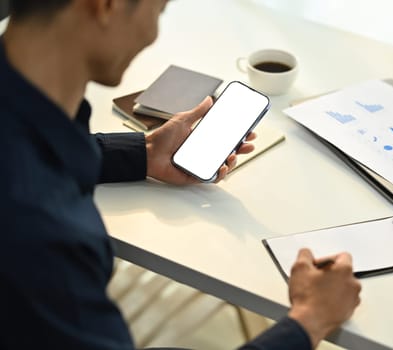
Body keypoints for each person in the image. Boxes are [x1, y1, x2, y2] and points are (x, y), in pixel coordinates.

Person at [0, 1, 362, 349]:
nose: (153, 33)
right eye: (158, 9)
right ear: (106, 4)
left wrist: (144, 154)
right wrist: (310, 320)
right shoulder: (43, 238)